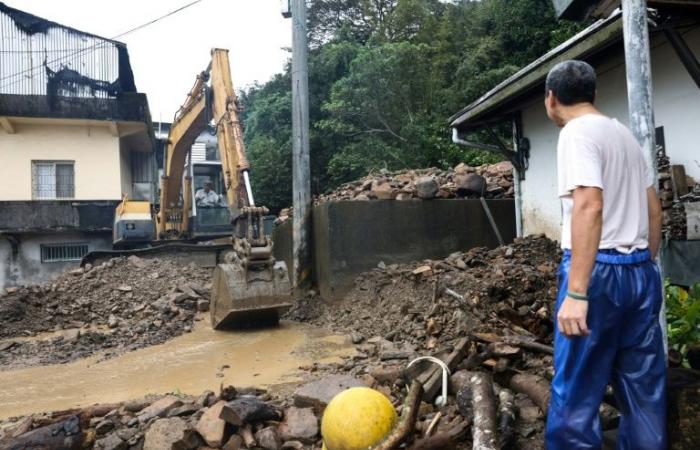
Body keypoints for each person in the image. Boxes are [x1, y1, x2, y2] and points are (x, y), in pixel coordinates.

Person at [543, 60, 665, 450]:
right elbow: (654, 211)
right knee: (644, 390)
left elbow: (589, 204)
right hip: (641, 271)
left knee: (577, 391)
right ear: (593, 95)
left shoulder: (576, 133)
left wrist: (577, 292)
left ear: (551, 99)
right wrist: (645, 265)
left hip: (599, 275)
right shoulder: (624, 135)